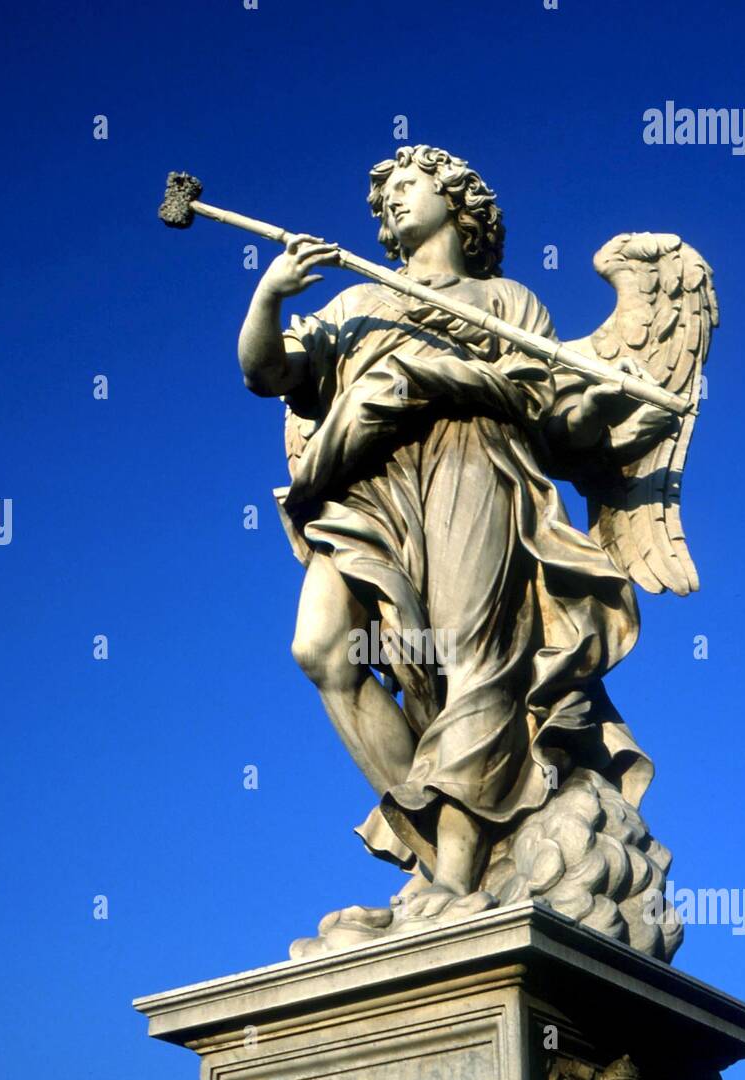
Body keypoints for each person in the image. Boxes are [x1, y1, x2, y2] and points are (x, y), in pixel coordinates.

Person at [237, 145, 670, 928]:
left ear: (458, 203)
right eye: (383, 198)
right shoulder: (353, 305)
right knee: (325, 651)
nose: (391, 204)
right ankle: (435, 850)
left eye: (408, 186)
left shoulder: (506, 300)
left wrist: (618, 411)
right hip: (368, 486)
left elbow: (540, 403)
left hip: (473, 465)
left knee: (468, 659)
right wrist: (269, 296)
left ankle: (461, 868)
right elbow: (268, 375)